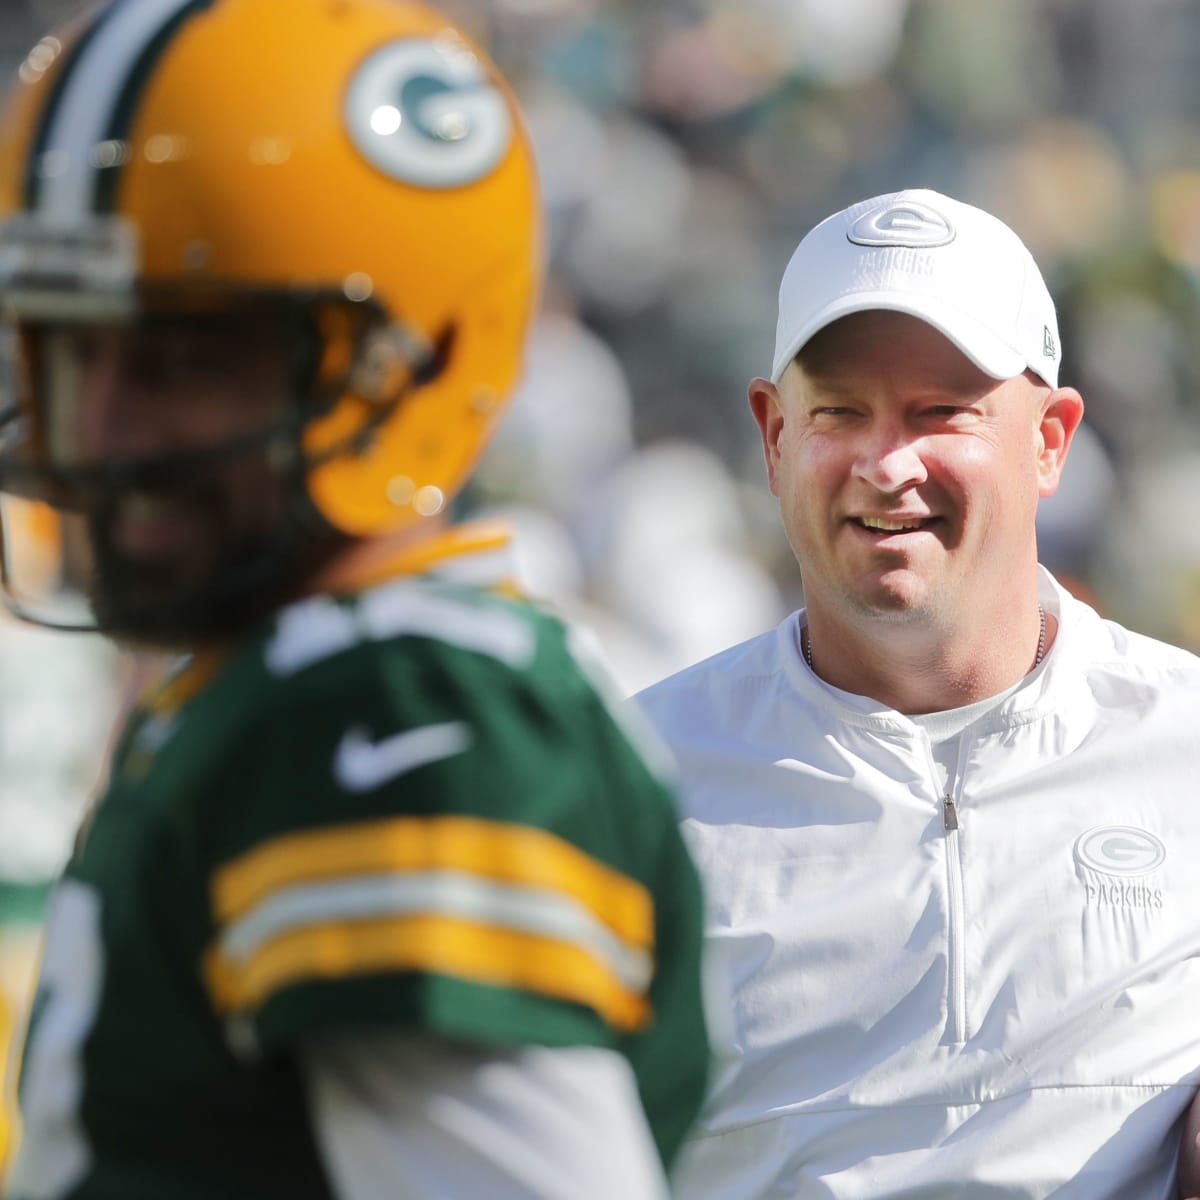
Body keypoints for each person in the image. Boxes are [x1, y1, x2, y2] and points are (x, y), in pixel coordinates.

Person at [0, 2, 710, 1197]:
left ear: (407, 364)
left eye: (180, 359)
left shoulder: (385, 710)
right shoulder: (290, 681)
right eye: (72, 350)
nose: (103, 426)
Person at [634, 187, 1200, 1198]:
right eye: (841, 412)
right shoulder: (636, 784)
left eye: (944, 414)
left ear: (1050, 440)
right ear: (772, 437)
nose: (888, 465)